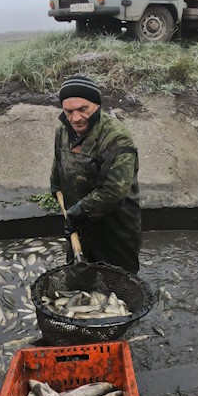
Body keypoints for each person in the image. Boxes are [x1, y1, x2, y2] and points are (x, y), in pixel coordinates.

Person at [50, 75, 141, 274]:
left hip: (115, 227)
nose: (75, 118)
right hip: (79, 224)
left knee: (118, 282)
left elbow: (114, 192)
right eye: (69, 111)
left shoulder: (117, 137)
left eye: (83, 110)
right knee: (80, 276)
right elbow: (59, 161)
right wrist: (55, 184)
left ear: (97, 105)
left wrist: (78, 212)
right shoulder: (62, 129)